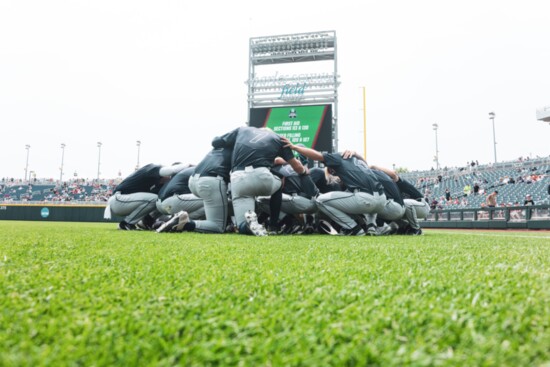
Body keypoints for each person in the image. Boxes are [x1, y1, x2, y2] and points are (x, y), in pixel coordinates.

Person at [212, 126, 308, 236]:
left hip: (237, 178)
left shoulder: (242, 130)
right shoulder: (279, 139)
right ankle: (273, 226)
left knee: (242, 225)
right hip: (261, 176)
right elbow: (297, 167)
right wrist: (304, 172)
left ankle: (248, 224)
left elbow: (216, 142)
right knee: (279, 183)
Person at [283, 141, 386, 236]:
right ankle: (371, 225)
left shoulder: (337, 158)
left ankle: (354, 228)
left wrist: (294, 147)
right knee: (358, 194)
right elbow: (365, 164)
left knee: (320, 200)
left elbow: (317, 156)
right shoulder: (359, 163)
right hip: (382, 201)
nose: (333, 173)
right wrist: (356, 153)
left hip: (365, 200)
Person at [157, 147, 233, 234]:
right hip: (174, 200)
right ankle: (184, 223)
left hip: (163, 204)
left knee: (208, 208)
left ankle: (172, 221)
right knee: (216, 202)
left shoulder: (197, 169)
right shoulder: (205, 170)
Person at [104, 162, 189, 230]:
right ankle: (126, 224)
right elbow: (172, 170)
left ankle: (146, 222)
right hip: (118, 199)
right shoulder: (154, 167)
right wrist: (189, 166)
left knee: (160, 200)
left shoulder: (159, 185)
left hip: (124, 202)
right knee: (154, 199)